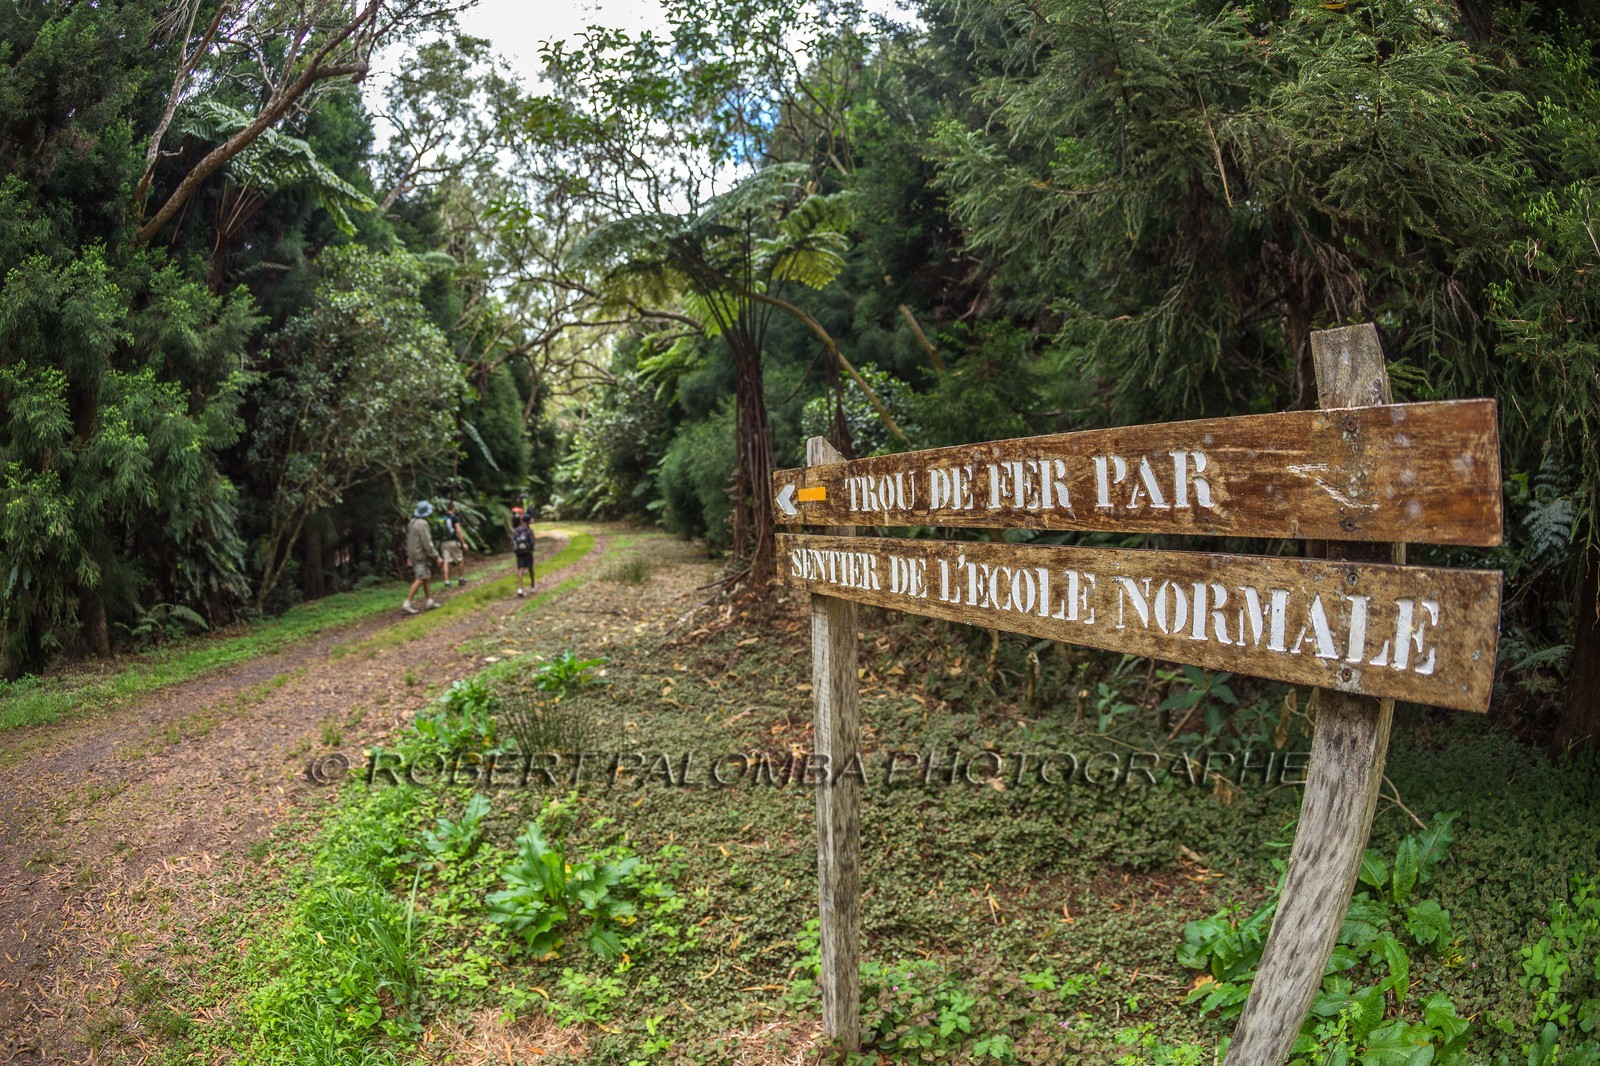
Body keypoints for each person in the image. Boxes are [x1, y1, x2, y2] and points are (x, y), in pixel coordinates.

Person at [402, 500, 442, 614]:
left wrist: (409, 555)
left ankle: (429, 601)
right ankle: (407, 603)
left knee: (427, 577)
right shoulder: (422, 524)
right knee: (420, 579)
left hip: (414, 555)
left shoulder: (412, 522)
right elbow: (427, 543)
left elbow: (409, 540)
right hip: (420, 556)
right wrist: (436, 557)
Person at [439, 501, 474, 588]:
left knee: (446, 562)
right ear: (453, 508)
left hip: (443, 543)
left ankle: (447, 582)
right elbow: (458, 531)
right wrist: (463, 542)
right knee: (460, 559)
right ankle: (461, 578)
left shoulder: (441, 518)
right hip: (453, 542)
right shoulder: (454, 518)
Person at [511, 513, 535, 598]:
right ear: (529, 521)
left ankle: (520, 588)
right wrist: (531, 548)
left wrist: (516, 549)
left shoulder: (516, 530)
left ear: (522, 520)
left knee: (520, 568)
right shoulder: (529, 530)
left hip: (519, 552)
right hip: (527, 552)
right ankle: (533, 586)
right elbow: (532, 542)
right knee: (530, 568)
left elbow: (513, 540)